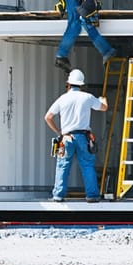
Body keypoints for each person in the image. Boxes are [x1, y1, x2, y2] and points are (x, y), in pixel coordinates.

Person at [44, 69, 108, 202]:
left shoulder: (63, 98)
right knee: (87, 166)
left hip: (66, 138)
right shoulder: (88, 97)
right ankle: (92, 196)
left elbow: (48, 117)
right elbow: (103, 108)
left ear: (68, 84)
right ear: (82, 85)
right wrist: (103, 100)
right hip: (83, 138)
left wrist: (59, 133)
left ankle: (58, 196)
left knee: (63, 166)